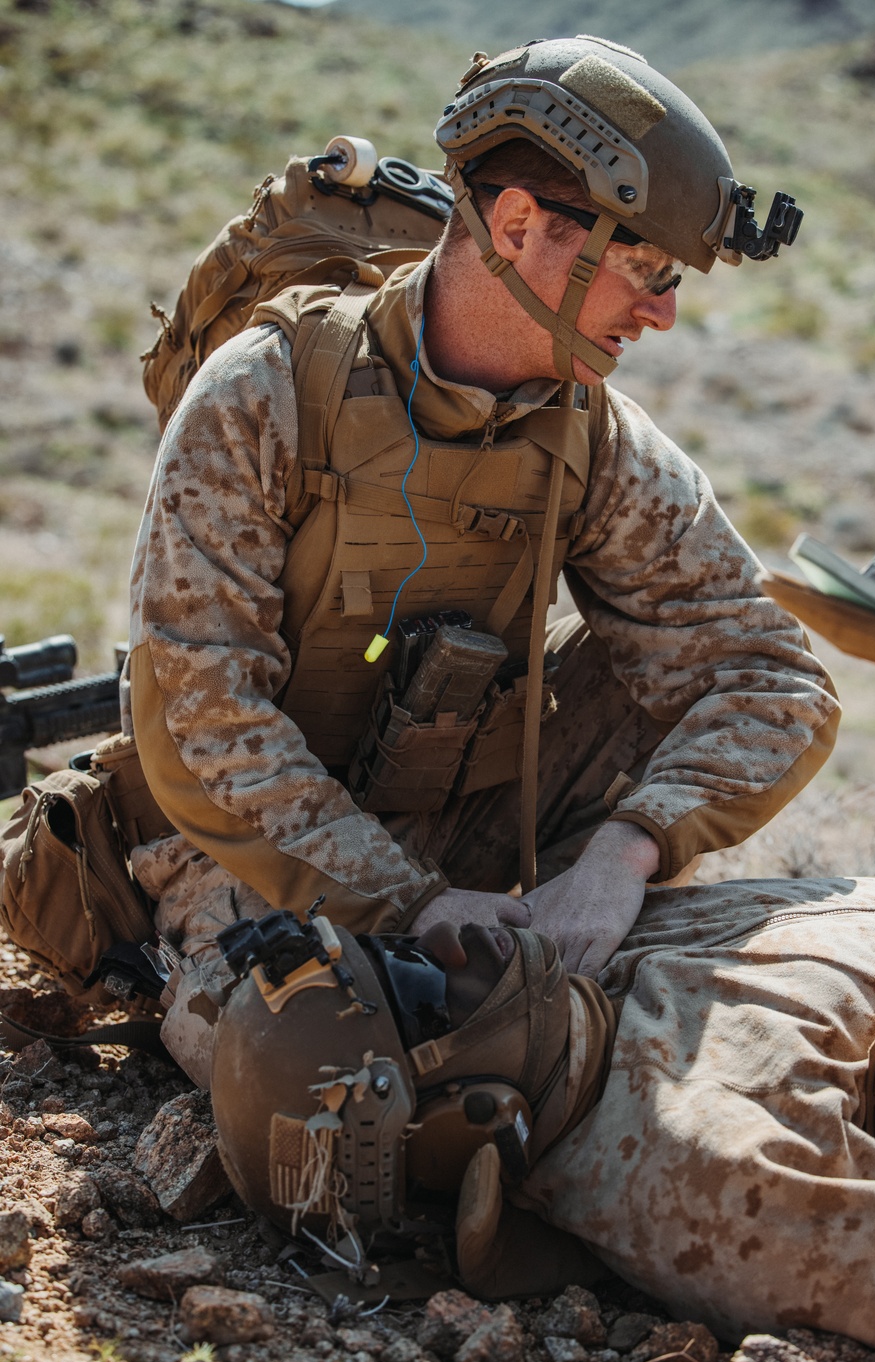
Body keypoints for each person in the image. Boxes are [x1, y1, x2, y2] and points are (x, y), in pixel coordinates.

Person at [122, 37, 838, 1075]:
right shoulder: (265, 392)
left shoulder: (592, 434)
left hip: (463, 823)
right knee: (313, 1068)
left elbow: (777, 678)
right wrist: (411, 904)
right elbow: (204, 723)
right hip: (254, 848)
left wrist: (624, 852)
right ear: (515, 227)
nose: (664, 311)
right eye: (644, 269)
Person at [210, 875, 875, 1362]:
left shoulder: (572, 974)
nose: (445, 938)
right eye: (419, 986)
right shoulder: (707, 1180)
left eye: (397, 944)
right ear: (442, 1131)